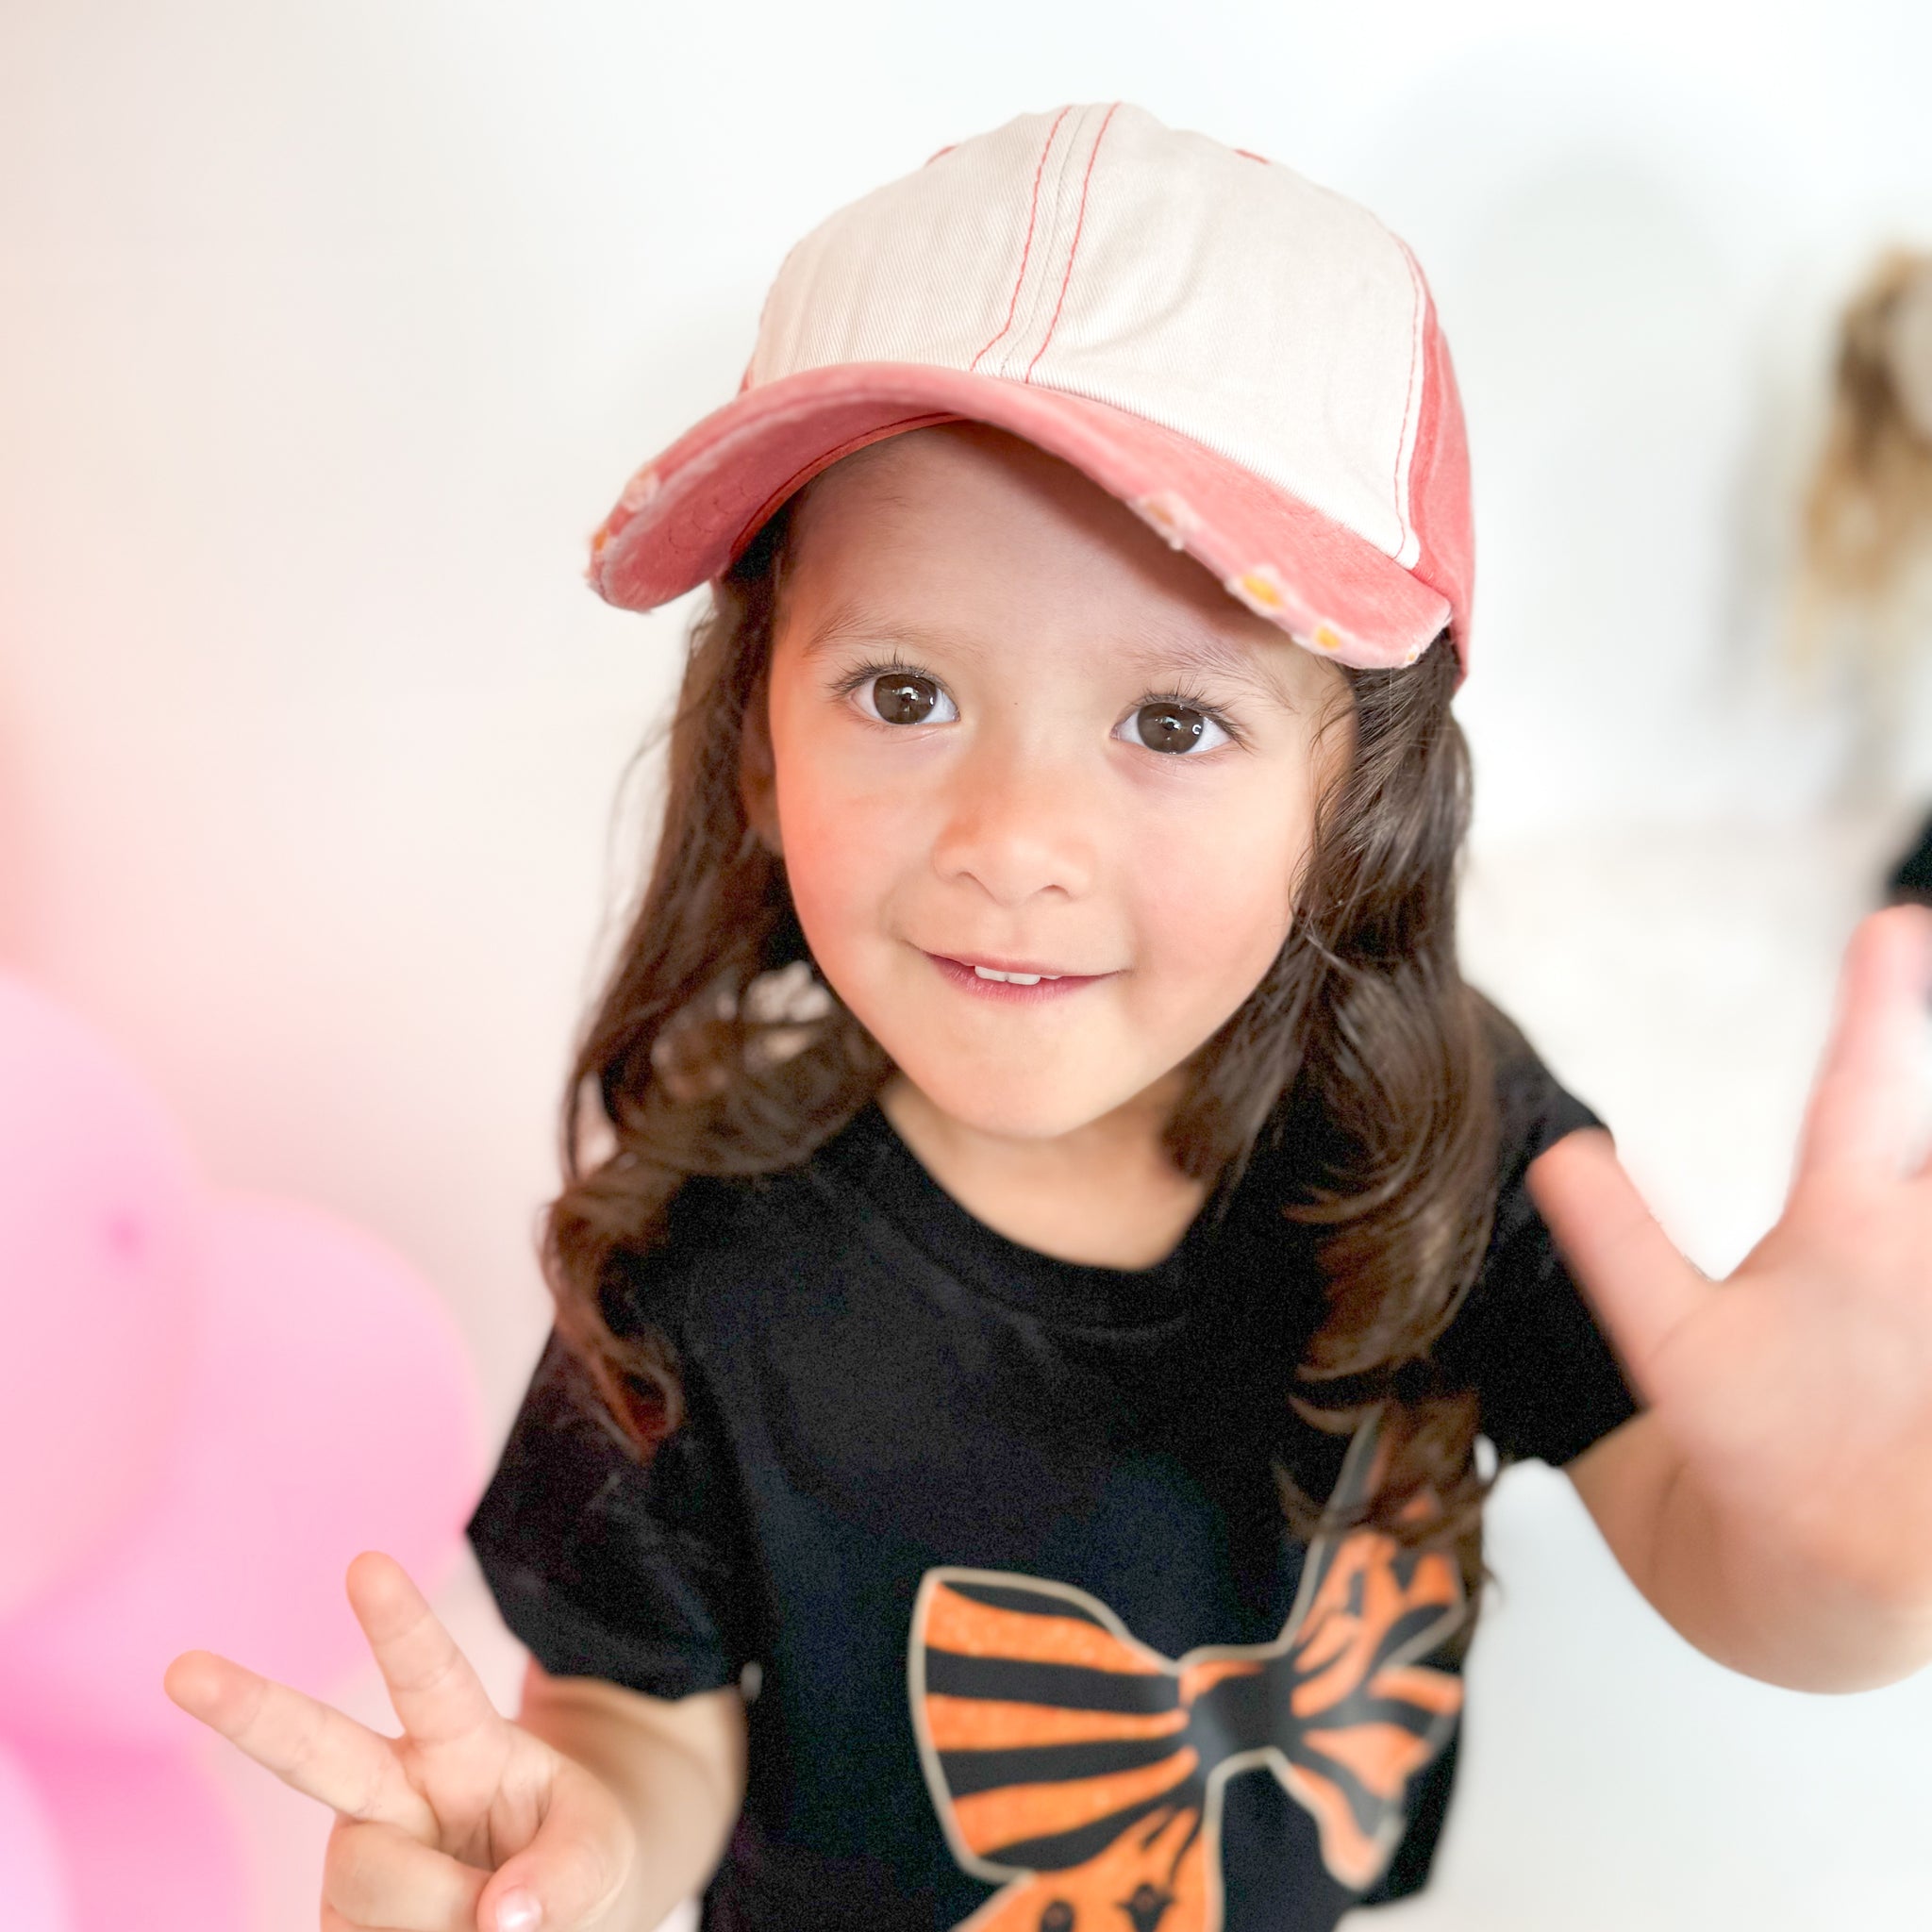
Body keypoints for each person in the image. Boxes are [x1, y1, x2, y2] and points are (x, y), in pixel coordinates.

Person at [163, 103, 1932, 1932]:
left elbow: (1720, 1551)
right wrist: (573, 1850)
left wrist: (1863, 1555)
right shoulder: (707, 1260)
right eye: (904, 689)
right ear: (758, 727)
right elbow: (638, 1722)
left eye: (1171, 723)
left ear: (1362, 790)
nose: (1011, 842)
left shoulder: (1439, 1132)